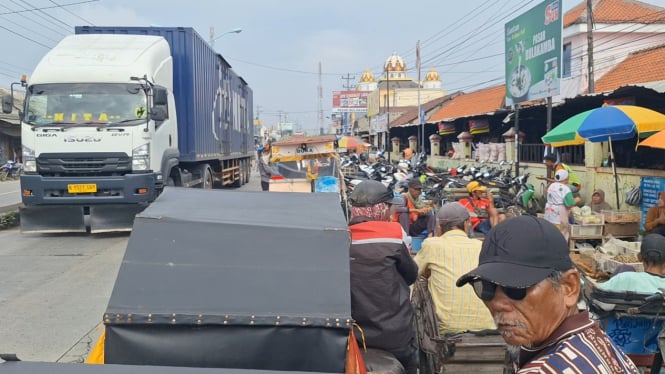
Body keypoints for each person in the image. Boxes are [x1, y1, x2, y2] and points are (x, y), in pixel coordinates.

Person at [455, 216, 639, 373]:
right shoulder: (598, 340)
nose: (497, 303)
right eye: (486, 287)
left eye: (516, 288)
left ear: (569, 287)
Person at [347, 180, 419, 374]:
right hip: (395, 336)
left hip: (353, 337)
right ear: (380, 208)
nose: (390, 212)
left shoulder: (341, 236)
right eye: (388, 207)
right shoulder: (394, 232)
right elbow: (411, 275)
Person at [414, 202, 495, 335]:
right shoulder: (481, 247)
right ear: (466, 224)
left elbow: (412, 274)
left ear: (439, 228)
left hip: (447, 329)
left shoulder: (432, 245)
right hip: (487, 326)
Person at [597, 234, 665, 355]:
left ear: (639, 257)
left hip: (617, 350)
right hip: (656, 354)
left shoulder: (625, 278)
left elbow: (599, 301)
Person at [543, 169, 576, 241]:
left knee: (550, 230)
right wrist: (577, 200)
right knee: (561, 232)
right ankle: (560, 248)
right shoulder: (565, 188)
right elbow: (569, 204)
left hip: (549, 210)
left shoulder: (551, 185)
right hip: (559, 211)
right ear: (566, 178)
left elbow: (546, 194)